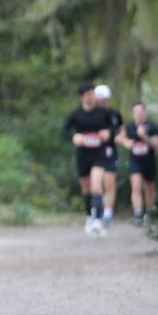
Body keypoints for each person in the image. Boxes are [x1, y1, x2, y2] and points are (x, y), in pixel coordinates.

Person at [62, 82, 111, 235]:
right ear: (81, 97)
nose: (91, 97)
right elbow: (64, 131)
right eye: (87, 95)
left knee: (96, 185)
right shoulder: (75, 114)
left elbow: (115, 127)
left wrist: (108, 133)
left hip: (99, 154)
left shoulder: (103, 113)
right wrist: (73, 136)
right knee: (86, 189)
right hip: (83, 155)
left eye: (92, 94)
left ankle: (98, 219)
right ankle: (90, 216)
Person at [118, 102, 158, 220]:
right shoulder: (129, 127)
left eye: (141, 112)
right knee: (136, 186)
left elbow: (157, 145)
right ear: (133, 113)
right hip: (135, 162)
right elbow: (119, 138)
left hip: (149, 161)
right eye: (136, 112)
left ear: (145, 112)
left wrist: (144, 136)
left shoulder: (152, 126)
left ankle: (150, 212)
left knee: (149, 188)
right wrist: (125, 142)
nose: (139, 114)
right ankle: (138, 213)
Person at [93, 84, 123, 227]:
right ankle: (95, 212)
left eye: (103, 99)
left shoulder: (114, 114)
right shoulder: (90, 114)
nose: (101, 101)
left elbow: (122, 131)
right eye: (99, 99)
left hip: (110, 152)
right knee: (96, 183)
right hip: (94, 152)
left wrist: (116, 137)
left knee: (109, 182)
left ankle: (107, 212)